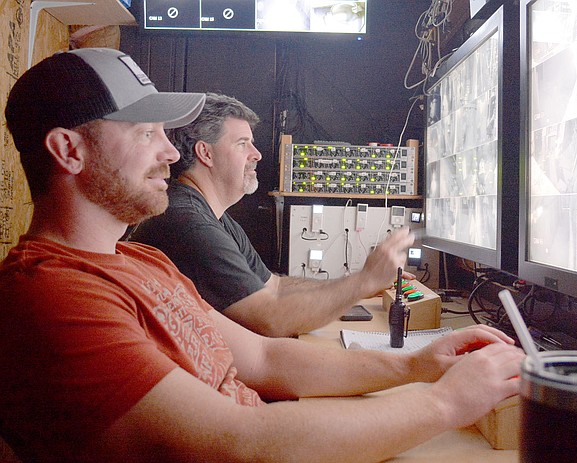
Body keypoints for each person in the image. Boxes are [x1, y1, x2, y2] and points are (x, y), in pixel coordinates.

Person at [0, 47, 524, 463]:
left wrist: (415, 366)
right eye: (146, 134)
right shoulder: (50, 296)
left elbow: (266, 358)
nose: (172, 152)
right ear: (69, 150)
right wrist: (446, 403)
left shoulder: (141, 261)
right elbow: (237, 444)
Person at [130, 92, 417, 337]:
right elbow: (270, 319)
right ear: (205, 153)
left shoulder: (213, 217)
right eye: (242, 144)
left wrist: (363, 284)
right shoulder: (187, 222)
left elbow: (275, 286)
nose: (257, 154)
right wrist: (364, 281)